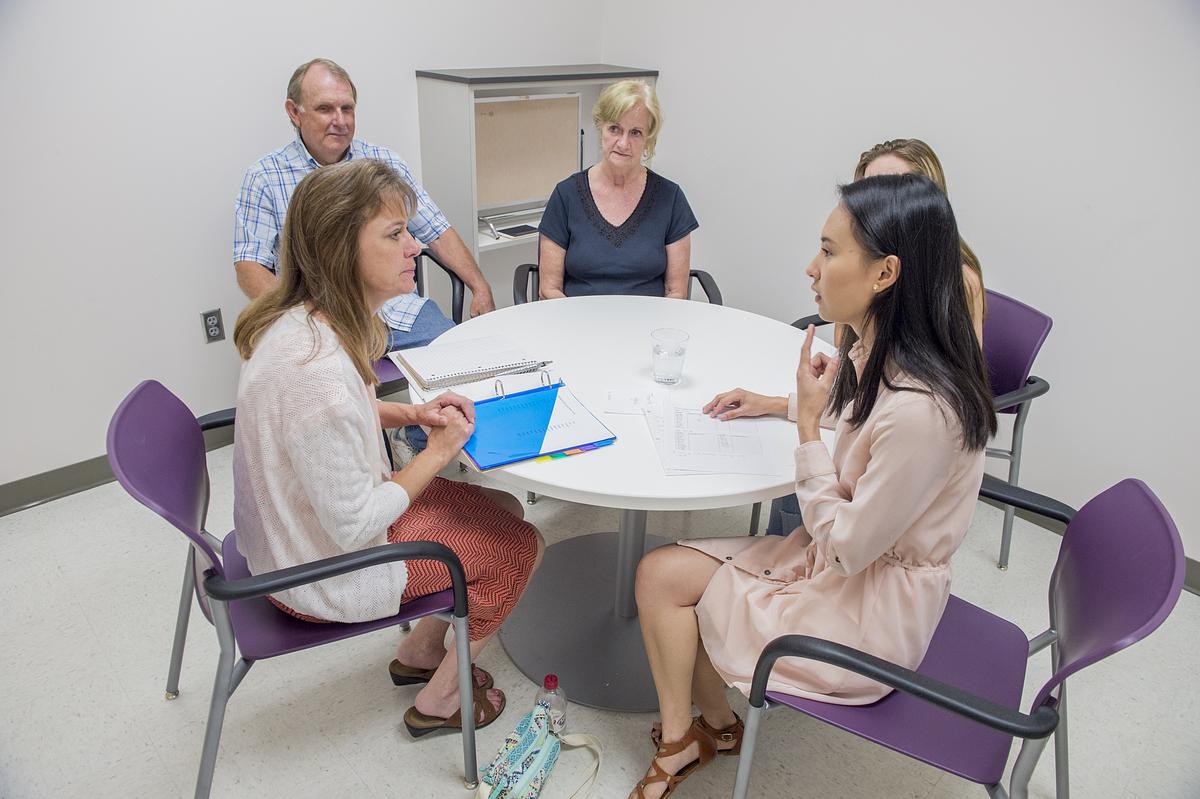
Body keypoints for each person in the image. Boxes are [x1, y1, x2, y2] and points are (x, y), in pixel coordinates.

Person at [628, 174, 995, 798]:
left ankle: (697, 732)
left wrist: (803, 427)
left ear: (885, 274)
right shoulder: (888, 358)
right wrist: (790, 403)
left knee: (674, 593)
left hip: (868, 608)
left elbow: (850, 545)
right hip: (843, 561)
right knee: (660, 574)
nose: (811, 268)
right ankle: (705, 729)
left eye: (828, 251)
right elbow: (857, 425)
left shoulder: (922, 411)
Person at [232, 158, 542, 736]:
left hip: (298, 533)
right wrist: (437, 450)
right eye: (395, 235)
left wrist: (412, 412)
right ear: (341, 250)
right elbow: (354, 526)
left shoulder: (305, 322)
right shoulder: (316, 372)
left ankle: (424, 651)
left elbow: (342, 417)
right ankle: (441, 704)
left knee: (503, 510)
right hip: (317, 569)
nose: (415, 249)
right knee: (519, 546)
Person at [724, 137, 987, 537]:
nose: (880, 202)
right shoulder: (859, 296)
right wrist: (779, 404)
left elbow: (913, 410)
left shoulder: (954, 289)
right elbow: (858, 398)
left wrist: (809, 425)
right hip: (854, 465)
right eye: (868, 190)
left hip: (868, 515)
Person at [233, 58, 496, 351]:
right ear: (295, 112)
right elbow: (249, 265)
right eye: (325, 108)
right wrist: (301, 320)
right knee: (331, 388)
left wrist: (479, 285)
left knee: (461, 352)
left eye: (347, 108)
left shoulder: (385, 164)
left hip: (396, 311)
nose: (340, 120)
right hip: (318, 319)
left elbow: (436, 230)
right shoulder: (265, 177)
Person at [537, 79, 698, 298]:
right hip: (578, 325)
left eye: (635, 133)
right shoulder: (566, 196)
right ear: (599, 127)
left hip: (647, 327)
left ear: (648, 139)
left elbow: (676, 291)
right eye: (615, 129)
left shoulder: (670, 198)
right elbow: (549, 289)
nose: (623, 143)